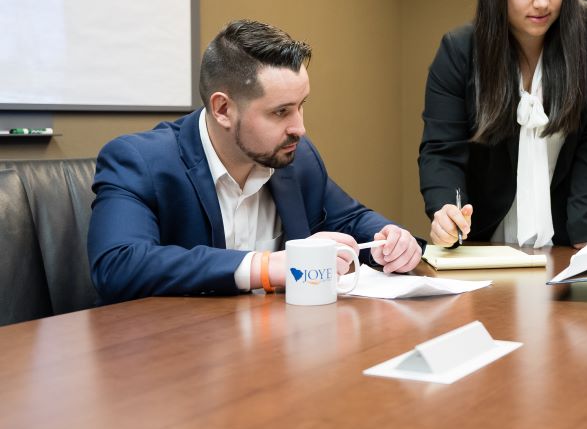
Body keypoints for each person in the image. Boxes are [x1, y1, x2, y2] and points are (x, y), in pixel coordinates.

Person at [89, 20, 422, 303]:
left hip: (275, 347)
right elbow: (118, 264)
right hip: (177, 355)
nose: (300, 128)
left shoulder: (296, 156)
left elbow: (350, 218)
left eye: (300, 105)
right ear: (222, 109)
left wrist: (389, 239)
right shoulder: (140, 161)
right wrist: (266, 267)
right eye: (280, 112)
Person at [418, 0, 587, 248]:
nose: (543, 1)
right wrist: (448, 211)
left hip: (570, 235)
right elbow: (441, 151)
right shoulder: (459, 50)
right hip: (487, 242)